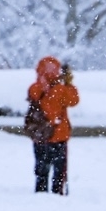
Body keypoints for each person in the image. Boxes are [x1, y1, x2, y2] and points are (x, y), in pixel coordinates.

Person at [27, 57, 79, 195]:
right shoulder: (61, 90)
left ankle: (41, 191)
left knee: (41, 169)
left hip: (40, 135)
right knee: (59, 170)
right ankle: (58, 193)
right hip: (59, 136)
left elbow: (34, 98)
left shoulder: (34, 88)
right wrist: (68, 82)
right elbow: (74, 100)